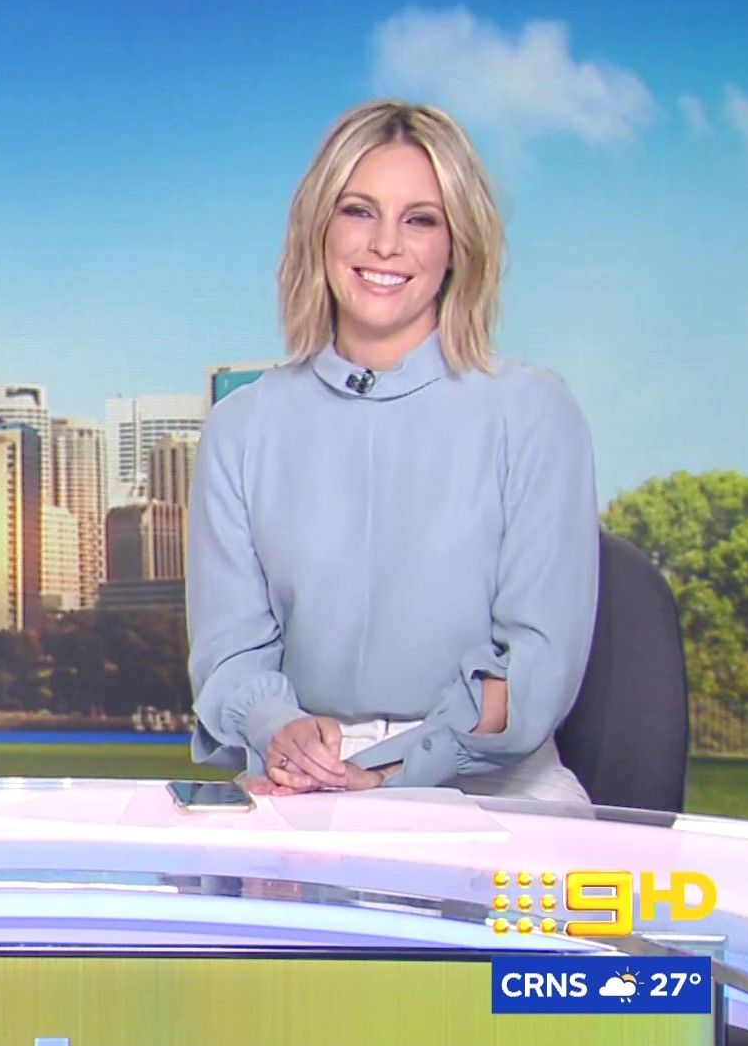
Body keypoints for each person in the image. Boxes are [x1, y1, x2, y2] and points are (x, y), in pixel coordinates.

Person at [187, 99, 598, 803]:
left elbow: (534, 666)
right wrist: (282, 732)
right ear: (319, 229)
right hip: (300, 781)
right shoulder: (239, 429)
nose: (385, 245)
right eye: (359, 211)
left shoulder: (534, 412)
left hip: (492, 780)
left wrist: (389, 772)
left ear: (457, 245)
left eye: (420, 220)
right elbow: (230, 656)